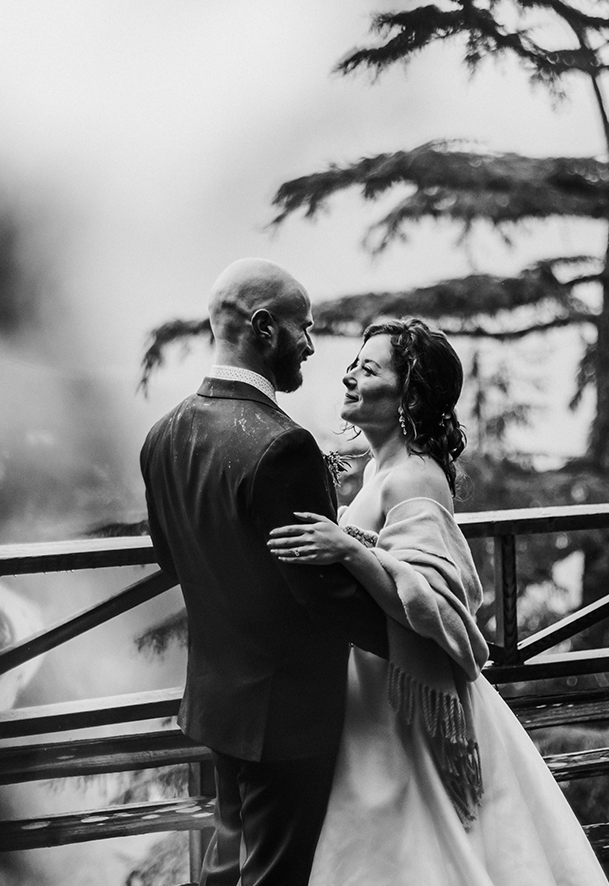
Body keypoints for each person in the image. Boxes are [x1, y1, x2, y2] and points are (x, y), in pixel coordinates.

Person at [267, 318, 609, 886]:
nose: (349, 376)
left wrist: (348, 551)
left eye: (369, 369)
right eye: (354, 364)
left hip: (402, 702)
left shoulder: (415, 479)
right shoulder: (381, 467)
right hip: (375, 687)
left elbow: (433, 604)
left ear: (409, 395)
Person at [140, 258, 388, 886]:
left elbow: (174, 560)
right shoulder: (284, 445)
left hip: (217, 706)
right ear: (263, 327)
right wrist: (411, 639)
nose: (310, 344)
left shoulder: (164, 434)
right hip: (288, 719)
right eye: (303, 327)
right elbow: (322, 595)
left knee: (227, 867)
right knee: (276, 875)